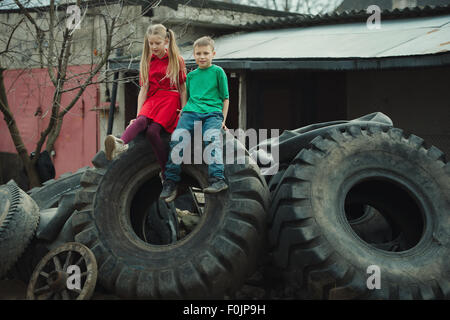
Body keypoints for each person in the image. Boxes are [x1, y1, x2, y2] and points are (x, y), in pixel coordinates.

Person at [104, 24, 187, 182]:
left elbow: (183, 88)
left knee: (152, 132)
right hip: (153, 98)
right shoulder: (148, 61)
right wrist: (138, 114)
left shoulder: (177, 60)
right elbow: (144, 89)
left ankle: (166, 172)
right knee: (141, 121)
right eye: (151, 43)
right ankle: (120, 144)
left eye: (157, 43)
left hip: (170, 99)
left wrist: (184, 109)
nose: (154, 47)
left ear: (166, 41)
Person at [160, 36, 229, 202]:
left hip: (213, 113)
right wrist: (183, 111)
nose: (202, 56)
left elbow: (225, 98)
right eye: (198, 53)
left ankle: (217, 179)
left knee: (212, 139)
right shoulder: (191, 76)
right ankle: (170, 182)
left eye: (206, 53)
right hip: (191, 112)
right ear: (194, 54)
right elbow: (188, 97)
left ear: (213, 54)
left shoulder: (218, 72)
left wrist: (223, 120)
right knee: (177, 140)